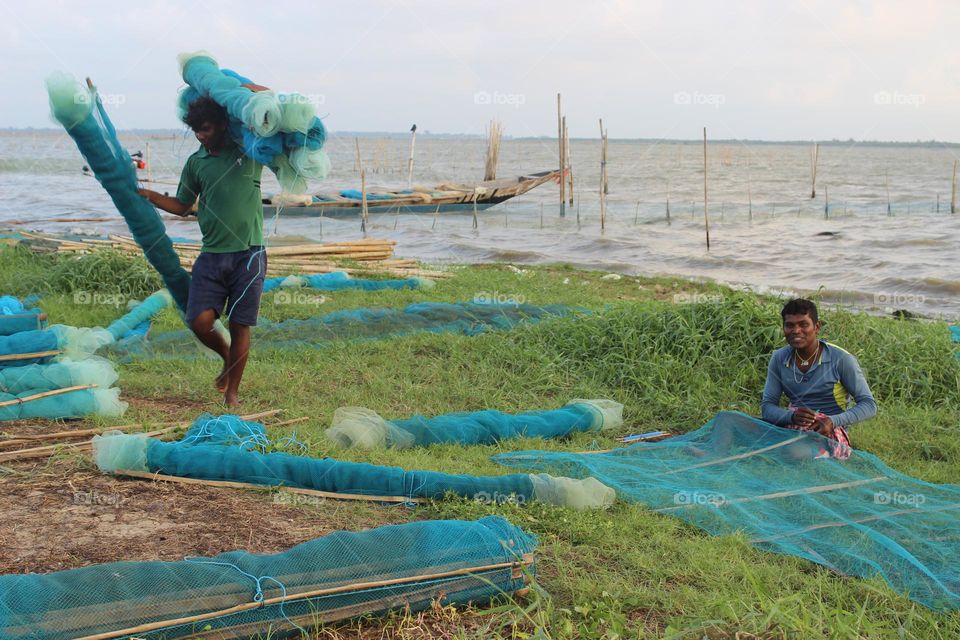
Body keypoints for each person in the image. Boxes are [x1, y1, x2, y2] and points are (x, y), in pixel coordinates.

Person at [138, 94, 266, 408]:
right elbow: (182, 206)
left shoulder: (247, 153)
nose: (200, 135)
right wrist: (149, 194)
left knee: (240, 325)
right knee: (199, 320)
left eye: (206, 128)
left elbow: (266, 113)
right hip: (212, 254)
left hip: (249, 254)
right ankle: (225, 356)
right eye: (196, 130)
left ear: (223, 124)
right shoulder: (197, 162)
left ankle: (233, 394)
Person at [760, 298, 877, 459]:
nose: (796, 330)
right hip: (792, 425)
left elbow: (869, 405)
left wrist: (832, 421)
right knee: (730, 421)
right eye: (790, 325)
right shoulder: (779, 358)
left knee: (794, 453)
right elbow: (767, 406)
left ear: (816, 327)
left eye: (803, 324)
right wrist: (792, 416)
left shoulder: (840, 359)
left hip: (827, 432)